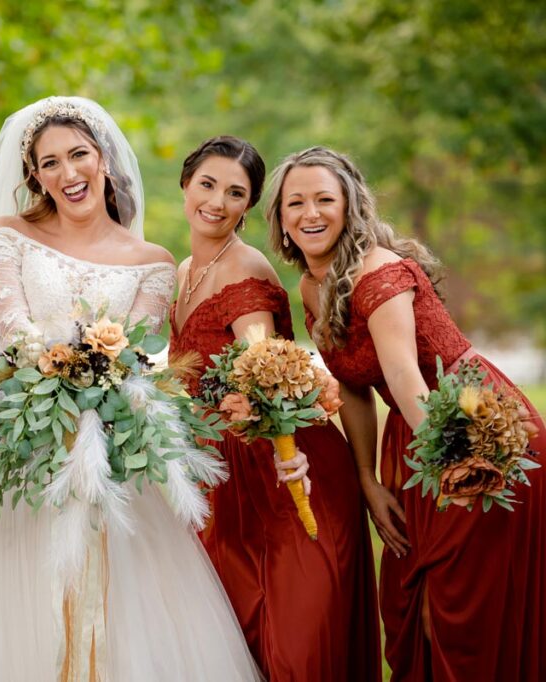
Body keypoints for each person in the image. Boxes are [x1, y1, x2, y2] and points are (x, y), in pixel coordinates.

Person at [0, 97, 262, 681]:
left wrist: (98, 387)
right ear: (34, 174)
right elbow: (12, 330)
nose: (67, 172)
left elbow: (135, 350)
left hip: (107, 439)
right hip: (10, 427)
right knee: (3, 599)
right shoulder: (8, 236)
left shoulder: (153, 262)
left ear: (103, 159)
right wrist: (61, 373)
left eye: (78, 155)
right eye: (49, 162)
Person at [267, 145, 546, 681]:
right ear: (280, 218)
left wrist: (456, 466)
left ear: (350, 207)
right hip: (413, 431)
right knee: (408, 599)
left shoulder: (380, 273)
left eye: (324, 199)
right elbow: (353, 386)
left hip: (470, 424)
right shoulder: (311, 285)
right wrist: (366, 478)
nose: (310, 213)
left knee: (454, 605)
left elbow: (403, 378)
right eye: (295, 203)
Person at [168, 135, 380, 680]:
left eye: (235, 193)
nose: (217, 202)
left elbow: (267, 376)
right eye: (207, 184)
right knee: (238, 646)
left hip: (286, 468)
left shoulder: (245, 269)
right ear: (185, 185)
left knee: (294, 648)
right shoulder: (184, 271)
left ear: (249, 205)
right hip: (225, 477)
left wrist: (291, 457)